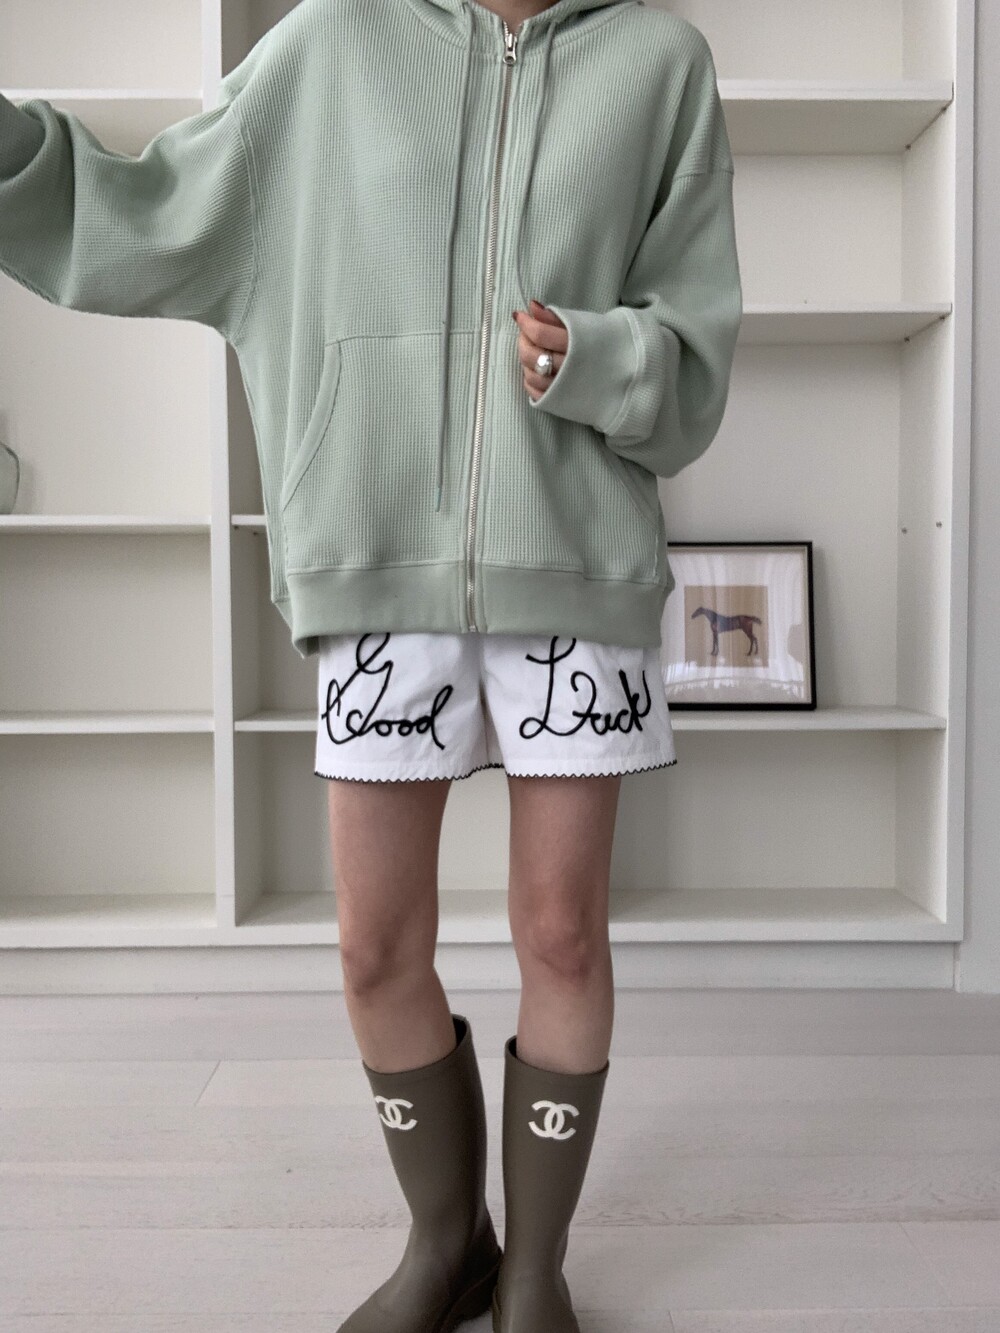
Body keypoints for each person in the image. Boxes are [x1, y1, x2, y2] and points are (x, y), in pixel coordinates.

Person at [0, 0, 741, 1326]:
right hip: (376, 563)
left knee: (563, 935)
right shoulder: (336, 41)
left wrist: (598, 356)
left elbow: (694, 360)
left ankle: (535, 1270)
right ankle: (446, 1245)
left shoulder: (662, 63)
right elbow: (154, 215)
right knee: (372, 947)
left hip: (576, 564)